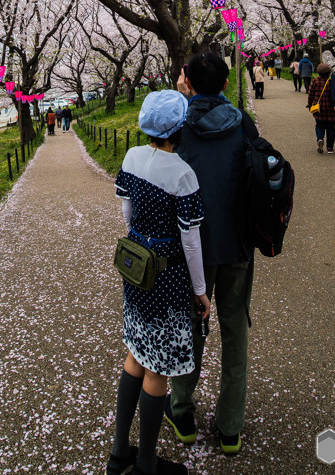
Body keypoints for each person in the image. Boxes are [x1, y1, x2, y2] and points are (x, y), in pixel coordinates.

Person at [109, 91, 210, 475]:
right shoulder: (182, 173)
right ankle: (147, 466)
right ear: (178, 128)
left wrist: (142, 242)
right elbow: (190, 240)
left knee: (136, 353)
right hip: (167, 277)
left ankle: (120, 455)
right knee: (158, 369)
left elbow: (127, 212)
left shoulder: (132, 157)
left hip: (135, 267)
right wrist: (199, 291)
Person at [166, 52, 258, 457]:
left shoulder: (177, 127)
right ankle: (230, 427)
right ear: (225, 84)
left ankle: (182, 412)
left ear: (186, 80)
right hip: (237, 243)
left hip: (192, 251)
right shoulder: (243, 124)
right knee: (235, 330)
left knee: (190, 329)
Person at [307, 62, 335, 153]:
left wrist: (309, 104)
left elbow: (310, 94)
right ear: (329, 73)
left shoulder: (315, 81)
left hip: (318, 108)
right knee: (331, 128)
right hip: (330, 108)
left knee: (319, 125)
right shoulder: (332, 82)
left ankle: (320, 139)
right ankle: (330, 147)